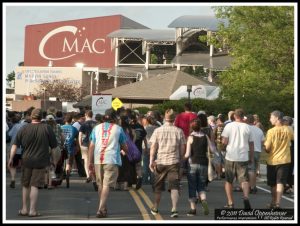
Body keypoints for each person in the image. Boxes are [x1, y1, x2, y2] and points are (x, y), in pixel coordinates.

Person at [8, 108, 57, 217]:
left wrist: (11, 158)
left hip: (26, 160)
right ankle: (32, 210)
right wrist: (54, 161)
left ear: (31, 117)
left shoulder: (24, 128)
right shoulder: (47, 128)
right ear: (41, 117)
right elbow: (54, 148)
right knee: (35, 185)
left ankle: (24, 209)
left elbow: (15, 145)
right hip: (41, 161)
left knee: (25, 185)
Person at [88, 108, 128, 218]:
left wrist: (89, 161)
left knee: (101, 184)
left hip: (98, 159)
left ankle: (103, 208)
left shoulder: (96, 128)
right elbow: (124, 145)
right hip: (111, 159)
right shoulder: (118, 129)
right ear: (114, 118)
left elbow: (91, 145)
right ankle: (100, 209)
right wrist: (125, 151)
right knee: (106, 185)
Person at [149, 109, 186, 218]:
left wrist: (151, 160)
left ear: (164, 119)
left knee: (158, 187)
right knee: (174, 186)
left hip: (160, 161)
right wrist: (181, 159)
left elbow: (153, 147)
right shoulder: (179, 131)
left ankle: (155, 207)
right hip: (174, 162)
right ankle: (174, 208)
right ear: (174, 119)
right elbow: (182, 147)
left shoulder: (158, 130)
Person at [184, 119, 218, 216]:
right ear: (200, 127)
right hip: (203, 163)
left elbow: (187, 154)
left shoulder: (190, 138)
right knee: (201, 186)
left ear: (191, 127)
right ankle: (203, 200)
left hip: (192, 164)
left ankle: (193, 209)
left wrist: (182, 160)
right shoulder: (205, 136)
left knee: (192, 186)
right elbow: (212, 149)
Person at [221, 108, 254, 209]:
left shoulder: (229, 126)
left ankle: (230, 202)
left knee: (229, 180)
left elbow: (224, 141)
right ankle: (246, 197)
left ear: (234, 116)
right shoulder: (248, 127)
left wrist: (222, 148)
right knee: (244, 180)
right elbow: (251, 144)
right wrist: (251, 157)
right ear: (243, 116)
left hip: (230, 156)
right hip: (243, 156)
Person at [264, 111, 293, 209]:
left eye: (271, 117)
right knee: (280, 182)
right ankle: (277, 203)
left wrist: (265, 147)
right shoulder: (289, 129)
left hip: (273, 160)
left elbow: (267, 148)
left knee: (273, 184)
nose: (270, 119)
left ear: (277, 118)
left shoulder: (271, 131)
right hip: (285, 160)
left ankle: (273, 201)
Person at [245, 114, 265, 194]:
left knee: (249, 170)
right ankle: (254, 185)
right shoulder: (258, 130)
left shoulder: (245, 128)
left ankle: (251, 187)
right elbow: (263, 141)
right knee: (254, 169)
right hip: (257, 151)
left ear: (246, 120)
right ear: (253, 121)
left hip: (248, 151)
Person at [61, 113, 79, 188]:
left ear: (65, 120)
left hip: (62, 147)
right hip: (70, 147)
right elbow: (77, 139)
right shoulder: (74, 129)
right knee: (69, 162)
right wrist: (77, 146)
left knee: (61, 162)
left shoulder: (60, 127)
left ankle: (62, 172)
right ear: (71, 120)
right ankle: (68, 172)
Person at [79, 110, 97, 183]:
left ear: (86, 115)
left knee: (86, 160)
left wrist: (80, 145)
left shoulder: (83, 124)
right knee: (94, 161)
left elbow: (80, 136)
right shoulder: (96, 124)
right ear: (92, 115)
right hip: (95, 144)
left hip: (85, 144)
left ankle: (88, 175)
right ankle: (94, 176)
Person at [282, 116, 294, 195]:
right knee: (289, 168)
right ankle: (287, 185)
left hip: (289, 149)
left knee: (287, 168)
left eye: (284, 120)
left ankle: (286, 185)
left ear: (288, 122)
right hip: (289, 149)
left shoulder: (288, 128)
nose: (283, 121)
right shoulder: (289, 128)